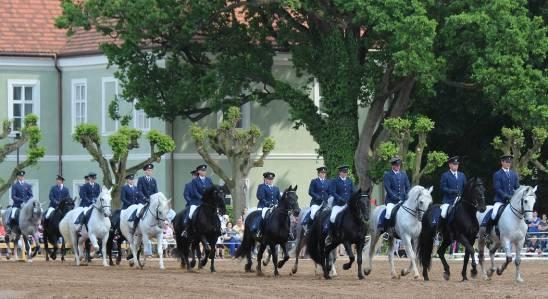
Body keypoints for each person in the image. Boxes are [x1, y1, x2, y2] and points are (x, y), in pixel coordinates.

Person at [484, 155, 520, 235]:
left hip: (512, 201)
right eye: (507, 162)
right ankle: (488, 232)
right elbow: (497, 188)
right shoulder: (497, 174)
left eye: (509, 162)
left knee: (521, 212)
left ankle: (523, 232)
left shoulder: (514, 174)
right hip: (500, 200)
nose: (508, 164)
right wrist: (506, 196)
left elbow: (517, 187)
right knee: (494, 213)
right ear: (502, 162)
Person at [181, 164, 213, 237]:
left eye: (205, 170)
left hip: (206, 202)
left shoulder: (208, 180)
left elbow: (211, 189)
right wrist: (191, 201)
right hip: (195, 202)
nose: (204, 172)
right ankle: (186, 229)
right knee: (190, 214)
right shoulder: (191, 183)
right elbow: (189, 194)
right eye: (194, 175)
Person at [325, 165, 354, 244]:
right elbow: (332, 192)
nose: (345, 174)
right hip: (338, 204)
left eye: (346, 172)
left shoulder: (349, 181)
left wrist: (352, 200)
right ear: (340, 172)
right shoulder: (335, 181)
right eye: (344, 172)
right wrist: (339, 198)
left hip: (347, 204)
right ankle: (329, 235)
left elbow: (352, 192)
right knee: (332, 217)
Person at [381, 157, 410, 231]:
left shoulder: (403, 175)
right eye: (396, 165)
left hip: (402, 200)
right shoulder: (387, 175)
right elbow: (388, 188)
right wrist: (395, 197)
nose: (398, 167)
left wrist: (407, 194)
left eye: (399, 165)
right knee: (388, 213)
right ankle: (386, 231)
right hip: (391, 200)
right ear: (392, 166)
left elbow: (407, 186)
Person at [304, 166, 330, 234]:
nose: (323, 174)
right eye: (322, 173)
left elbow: (330, 192)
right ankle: (308, 228)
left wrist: (328, 197)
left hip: (325, 203)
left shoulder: (328, 182)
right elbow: (310, 191)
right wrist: (317, 196)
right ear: (318, 174)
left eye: (324, 173)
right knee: (312, 214)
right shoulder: (314, 181)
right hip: (316, 203)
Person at [255, 172, 281, 238]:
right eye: (269, 179)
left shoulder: (276, 188)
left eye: (271, 179)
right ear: (265, 179)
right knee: (262, 216)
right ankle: (259, 231)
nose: (270, 181)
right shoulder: (261, 186)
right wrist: (267, 203)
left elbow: (279, 198)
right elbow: (260, 196)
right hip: (264, 206)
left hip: (274, 206)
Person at [133, 163, 158, 232]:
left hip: (151, 202)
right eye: (148, 170)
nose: (149, 172)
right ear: (145, 171)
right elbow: (139, 191)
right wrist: (144, 198)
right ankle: (134, 228)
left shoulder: (154, 180)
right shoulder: (141, 179)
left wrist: (155, 199)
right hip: (142, 201)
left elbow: (155, 192)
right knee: (138, 213)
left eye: (150, 170)